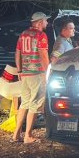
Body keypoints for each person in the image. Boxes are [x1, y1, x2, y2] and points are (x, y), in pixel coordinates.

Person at [12, 11, 50, 144]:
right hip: (37, 74)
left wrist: (19, 70)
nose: (47, 23)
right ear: (39, 22)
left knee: (24, 103)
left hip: (25, 74)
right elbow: (43, 55)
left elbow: (17, 53)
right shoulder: (41, 35)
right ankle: (28, 135)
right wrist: (47, 72)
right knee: (35, 105)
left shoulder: (23, 34)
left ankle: (16, 134)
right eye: (45, 20)